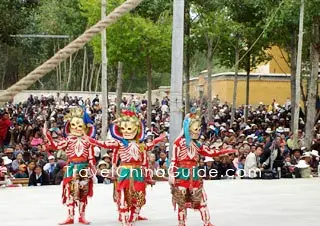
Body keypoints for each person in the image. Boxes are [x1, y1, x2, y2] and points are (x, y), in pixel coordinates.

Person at [87, 110, 165, 226]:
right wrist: (91, 139)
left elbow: (150, 147)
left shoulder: (141, 145)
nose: (127, 132)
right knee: (123, 195)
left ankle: (133, 217)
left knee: (139, 196)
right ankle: (124, 220)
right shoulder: (119, 144)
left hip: (138, 172)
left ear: (137, 130)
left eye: (130, 129)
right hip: (124, 171)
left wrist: (158, 139)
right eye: (124, 129)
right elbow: (104, 144)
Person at [169, 109, 234, 226]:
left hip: (194, 173)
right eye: (196, 129)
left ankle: (207, 222)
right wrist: (172, 175)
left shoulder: (197, 144)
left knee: (202, 199)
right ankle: (181, 223)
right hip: (181, 174)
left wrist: (223, 151)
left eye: (199, 129)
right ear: (188, 128)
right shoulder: (178, 143)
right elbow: (173, 160)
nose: (198, 131)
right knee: (181, 201)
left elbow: (210, 152)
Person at [44, 107, 97, 225]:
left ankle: (82, 216)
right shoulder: (68, 140)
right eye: (74, 125)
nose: (76, 128)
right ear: (70, 126)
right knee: (69, 192)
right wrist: (48, 136)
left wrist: (93, 168)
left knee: (83, 193)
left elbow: (90, 157)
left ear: (85, 127)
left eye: (79, 126)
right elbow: (55, 146)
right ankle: (70, 216)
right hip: (71, 167)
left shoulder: (88, 141)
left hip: (83, 168)